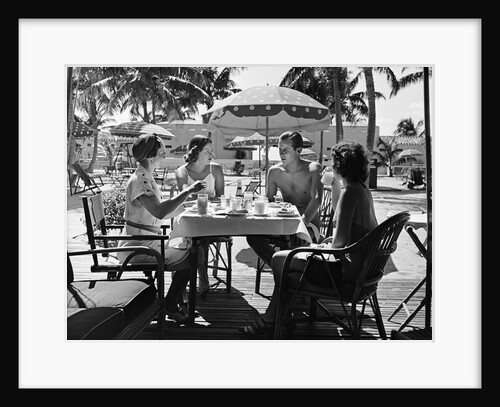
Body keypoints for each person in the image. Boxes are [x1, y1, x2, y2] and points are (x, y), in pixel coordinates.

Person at [239, 140, 378, 338]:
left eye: (333, 160)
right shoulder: (361, 190)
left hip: (346, 274)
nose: (330, 164)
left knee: (281, 261)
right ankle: (278, 319)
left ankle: (271, 320)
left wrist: (319, 246)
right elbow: (350, 234)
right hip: (363, 270)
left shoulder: (350, 193)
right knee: (286, 265)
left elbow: (339, 244)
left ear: (340, 165)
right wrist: (326, 239)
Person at [117, 133, 206, 324]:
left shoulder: (144, 176)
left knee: (193, 251)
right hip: (138, 246)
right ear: (150, 156)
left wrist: (185, 207)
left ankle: (174, 301)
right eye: (162, 153)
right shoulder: (141, 180)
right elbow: (159, 212)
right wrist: (188, 191)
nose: (164, 156)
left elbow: (158, 213)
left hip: (146, 240)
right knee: (194, 255)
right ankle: (171, 303)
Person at [246, 131, 324, 269]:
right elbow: (268, 201)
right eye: (279, 149)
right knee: (252, 237)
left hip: (308, 223)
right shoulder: (275, 172)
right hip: (284, 222)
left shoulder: (313, 169)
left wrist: (302, 223)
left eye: (286, 150)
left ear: (299, 150)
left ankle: (284, 274)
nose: (281, 154)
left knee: (296, 241)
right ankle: (282, 270)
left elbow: (317, 199)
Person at [175, 135, 225, 295]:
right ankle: (202, 271)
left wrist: (199, 198)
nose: (212, 154)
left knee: (199, 233)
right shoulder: (182, 171)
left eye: (212, 150)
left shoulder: (216, 169)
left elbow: (222, 198)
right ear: (195, 152)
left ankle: (191, 276)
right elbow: (184, 197)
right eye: (208, 151)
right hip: (190, 219)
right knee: (196, 232)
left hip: (212, 220)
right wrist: (207, 198)